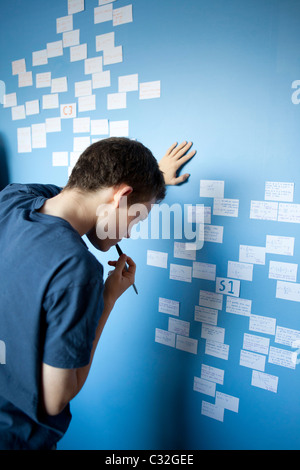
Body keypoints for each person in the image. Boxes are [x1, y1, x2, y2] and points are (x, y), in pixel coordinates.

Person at [0, 137, 196, 450]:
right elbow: (56, 399)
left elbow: (78, 192)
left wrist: (149, 178)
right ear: (121, 197)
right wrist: (107, 299)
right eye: (137, 218)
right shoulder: (78, 269)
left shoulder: (13, 198)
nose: (130, 232)